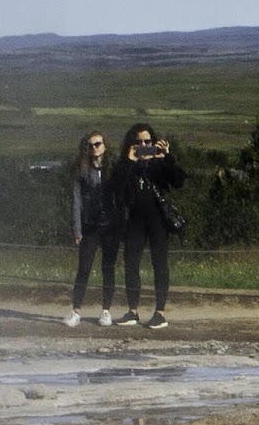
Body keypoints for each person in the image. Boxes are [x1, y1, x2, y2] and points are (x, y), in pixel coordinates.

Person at [108, 123, 184, 326]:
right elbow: (114, 187)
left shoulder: (159, 164)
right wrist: (129, 161)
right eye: (138, 142)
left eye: (147, 142)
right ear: (131, 144)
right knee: (131, 263)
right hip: (134, 220)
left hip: (157, 220)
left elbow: (178, 181)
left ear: (154, 143)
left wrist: (166, 157)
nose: (143, 145)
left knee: (160, 264)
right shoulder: (126, 164)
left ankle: (160, 312)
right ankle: (132, 310)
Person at [62, 132, 117, 325]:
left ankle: (106, 311)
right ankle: (76, 310)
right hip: (90, 225)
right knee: (84, 268)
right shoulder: (82, 170)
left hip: (110, 226)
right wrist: (77, 229)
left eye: (98, 144)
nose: (95, 148)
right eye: (91, 145)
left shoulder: (114, 168)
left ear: (105, 145)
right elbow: (76, 201)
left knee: (108, 268)